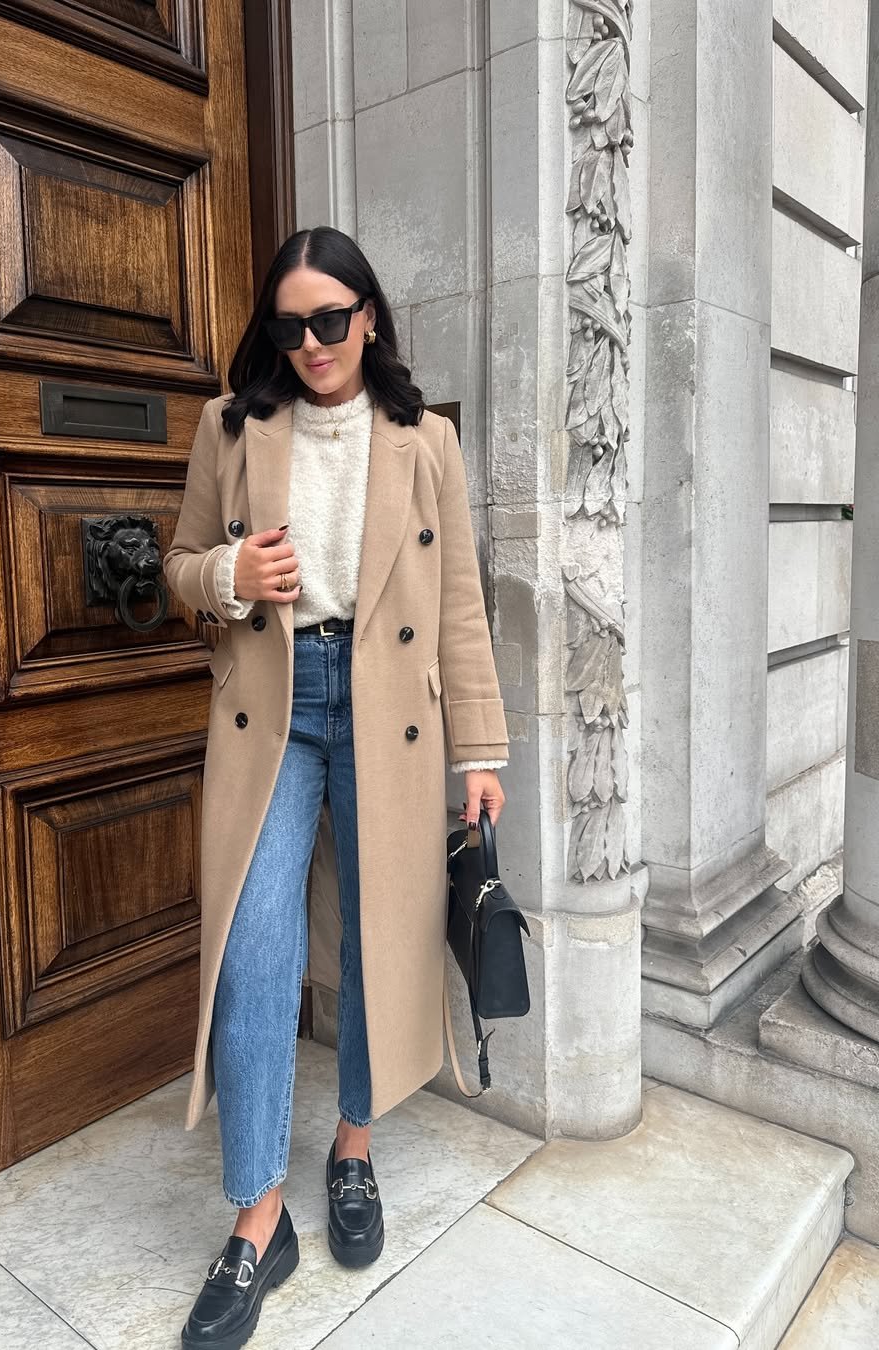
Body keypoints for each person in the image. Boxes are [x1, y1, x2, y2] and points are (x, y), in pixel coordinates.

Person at [163, 225, 509, 1350]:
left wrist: (482, 753)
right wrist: (229, 574)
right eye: (290, 324)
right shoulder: (231, 426)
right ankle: (258, 1220)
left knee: (378, 936)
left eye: (330, 319)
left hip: (390, 712)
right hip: (274, 709)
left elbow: (459, 606)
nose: (311, 343)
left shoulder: (425, 439)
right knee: (253, 949)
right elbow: (178, 569)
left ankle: (352, 1146)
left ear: (368, 316)